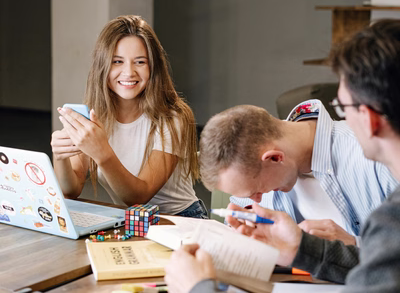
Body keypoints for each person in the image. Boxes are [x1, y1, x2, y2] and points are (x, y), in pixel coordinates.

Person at [164, 19, 400, 292]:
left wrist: (199, 288)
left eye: (343, 107)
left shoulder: (386, 201)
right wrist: (301, 247)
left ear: (370, 119)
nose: (343, 118)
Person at [51, 15, 207, 218]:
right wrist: (60, 156)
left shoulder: (173, 117)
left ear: (153, 67)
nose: (129, 72)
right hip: (133, 220)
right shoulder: (94, 116)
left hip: (181, 219)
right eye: (117, 61)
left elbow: (139, 197)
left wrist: (102, 153)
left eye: (140, 62)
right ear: (102, 67)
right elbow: (70, 191)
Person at [204, 99, 397, 246]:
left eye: (257, 190)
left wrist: (354, 246)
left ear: (275, 158)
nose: (256, 200)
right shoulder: (257, 174)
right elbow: (240, 206)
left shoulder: (378, 157)